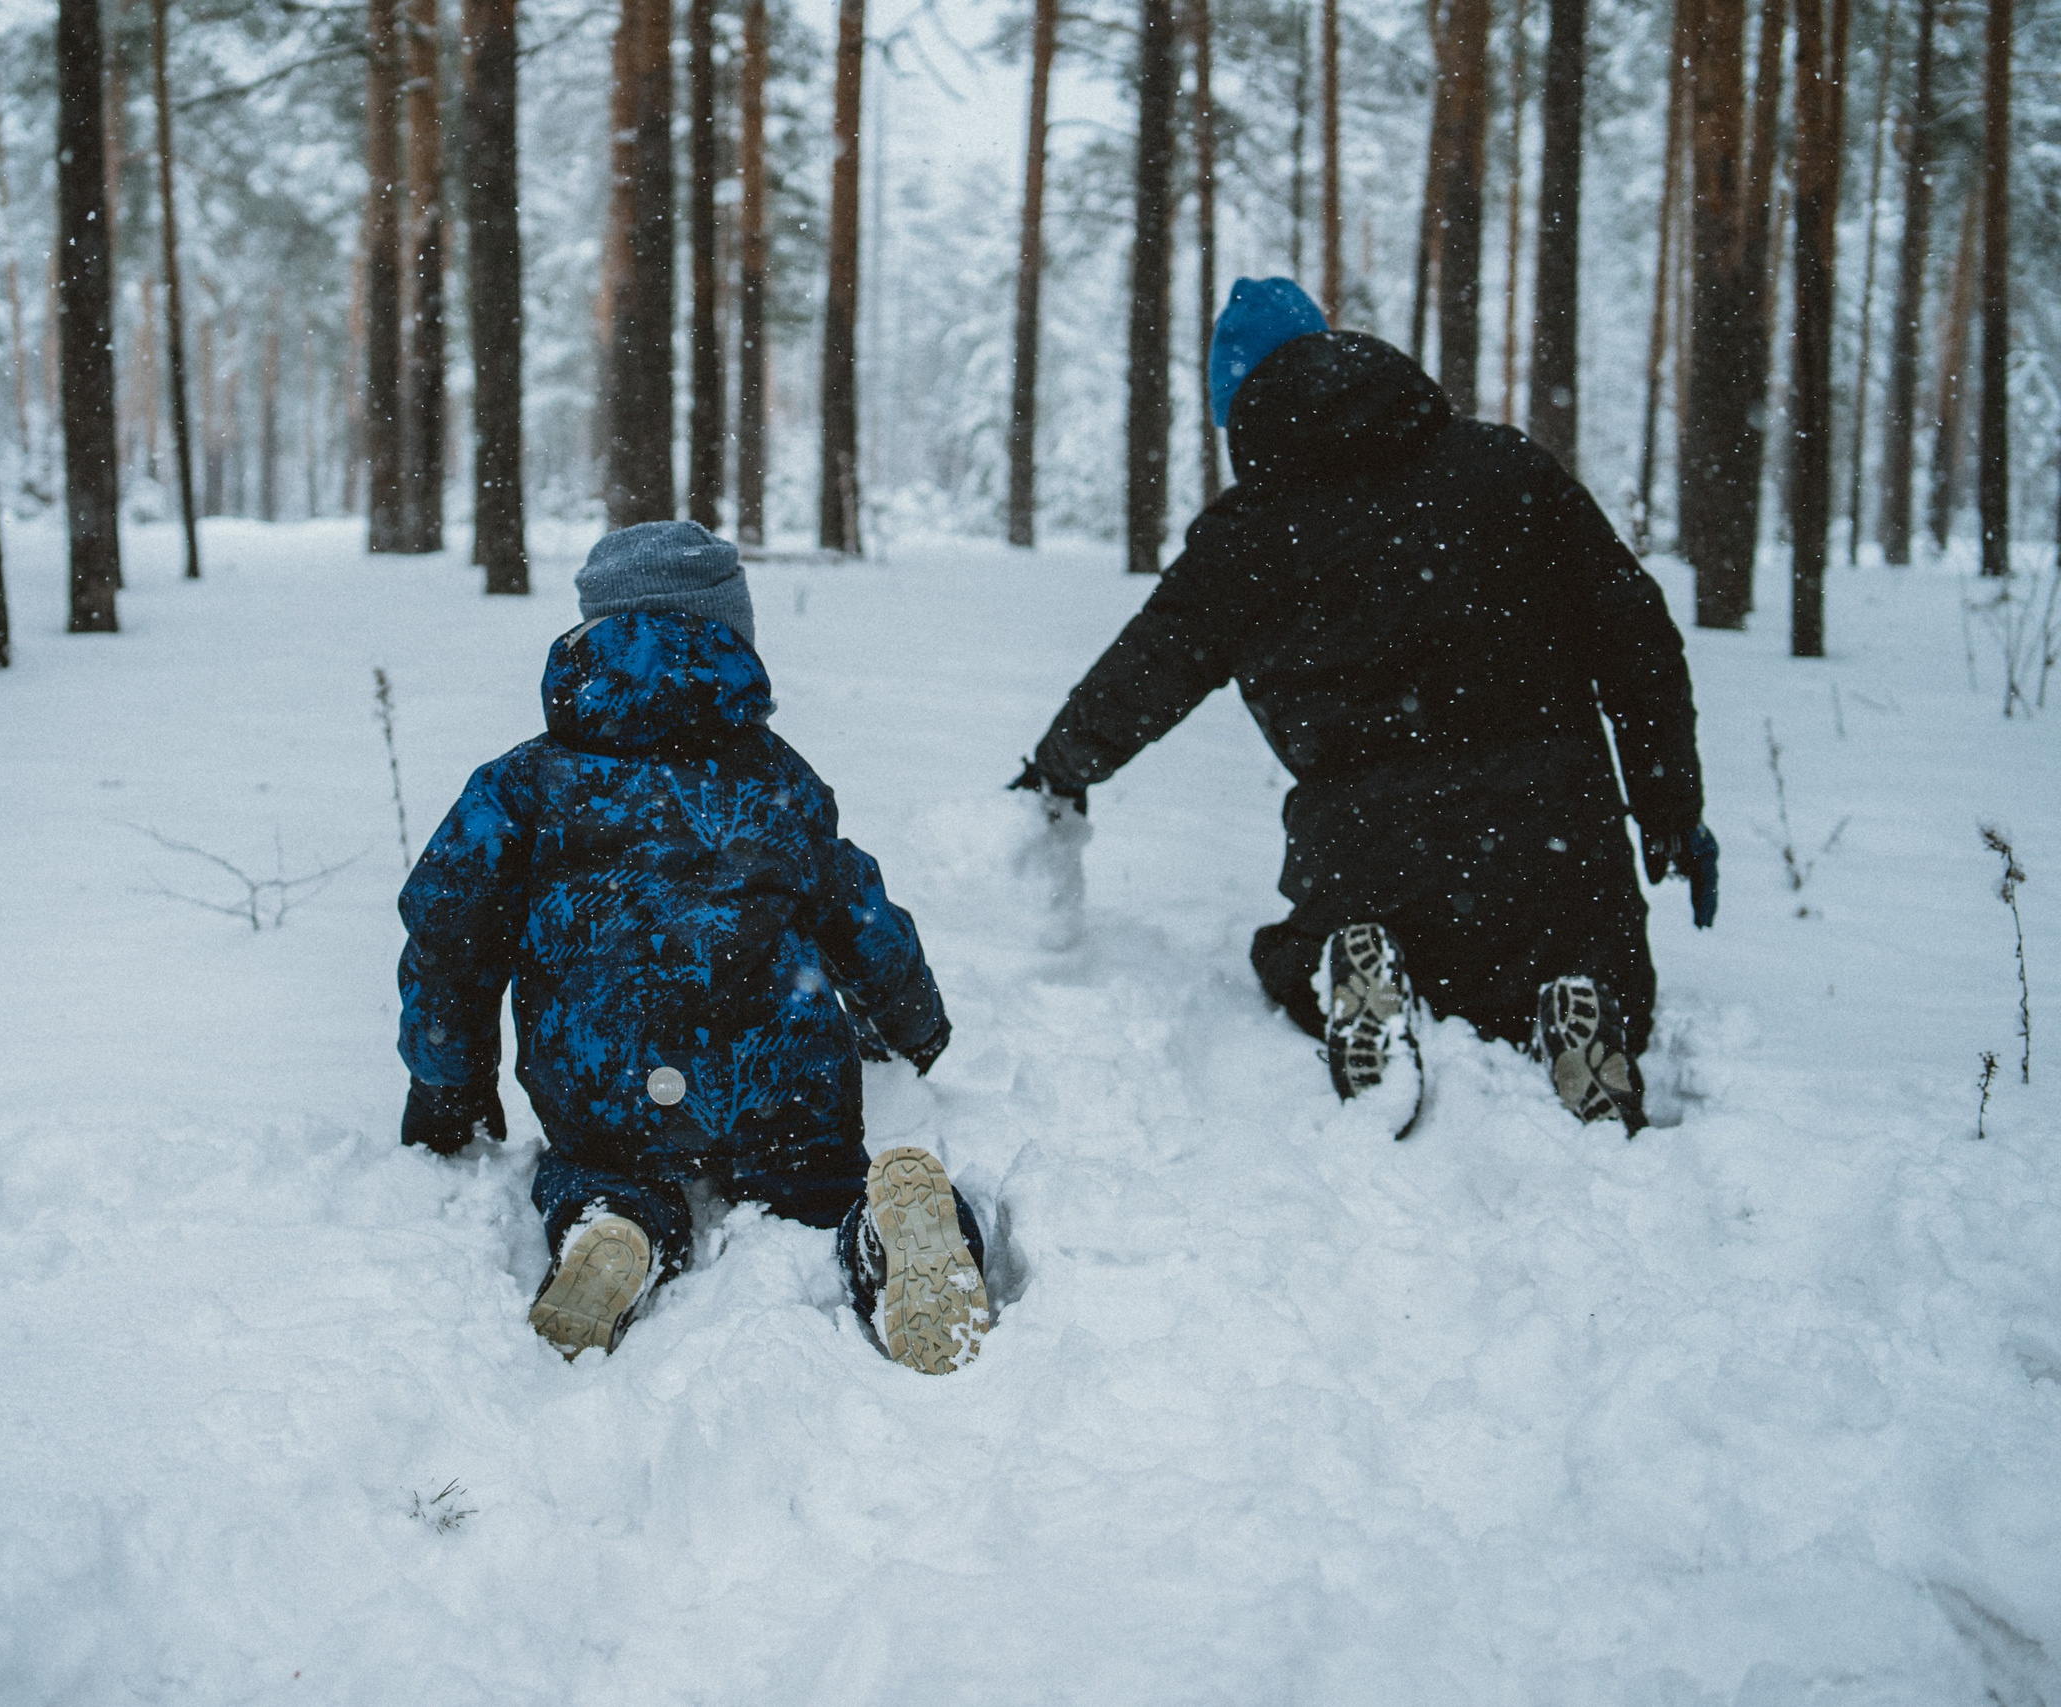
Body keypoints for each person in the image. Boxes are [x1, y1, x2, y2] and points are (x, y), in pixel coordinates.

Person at [1015, 278, 1717, 1134]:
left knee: (1294, 954)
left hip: (1374, 862)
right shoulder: (1506, 468)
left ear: (1240, 412)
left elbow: (1143, 674)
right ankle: (1576, 998)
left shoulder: (1247, 536)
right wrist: (1669, 803)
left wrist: (1056, 771)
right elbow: (1634, 633)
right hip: (1557, 846)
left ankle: (1361, 966)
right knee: (1596, 965)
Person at [396, 520, 988, 1371]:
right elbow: (858, 910)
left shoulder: (521, 785)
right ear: (732, 640)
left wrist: (447, 1087)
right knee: (819, 1185)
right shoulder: (776, 777)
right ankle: (889, 1238)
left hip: (602, 1085)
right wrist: (913, 1022)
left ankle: (611, 1227)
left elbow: (448, 936)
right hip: (780, 1079)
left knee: (598, 1173)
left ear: (590, 640)